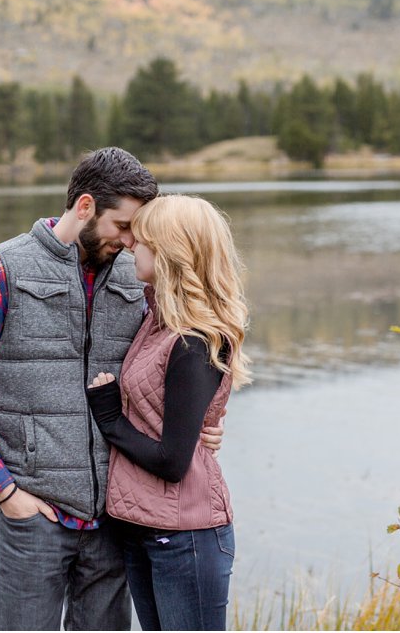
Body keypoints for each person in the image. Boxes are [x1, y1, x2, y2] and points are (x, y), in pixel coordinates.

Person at [0, 147, 221, 631]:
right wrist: (7, 494)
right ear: (85, 207)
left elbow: (190, 352)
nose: (133, 242)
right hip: (33, 520)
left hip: (116, 521)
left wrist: (202, 422)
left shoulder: (141, 280)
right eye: (124, 226)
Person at [87, 195, 247, 633]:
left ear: (171, 250)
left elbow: (173, 462)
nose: (131, 245)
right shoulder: (158, 320)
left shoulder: (195, 341)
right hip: (142, 527)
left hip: (185, 537)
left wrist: (109, 419)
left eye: (142, 239)